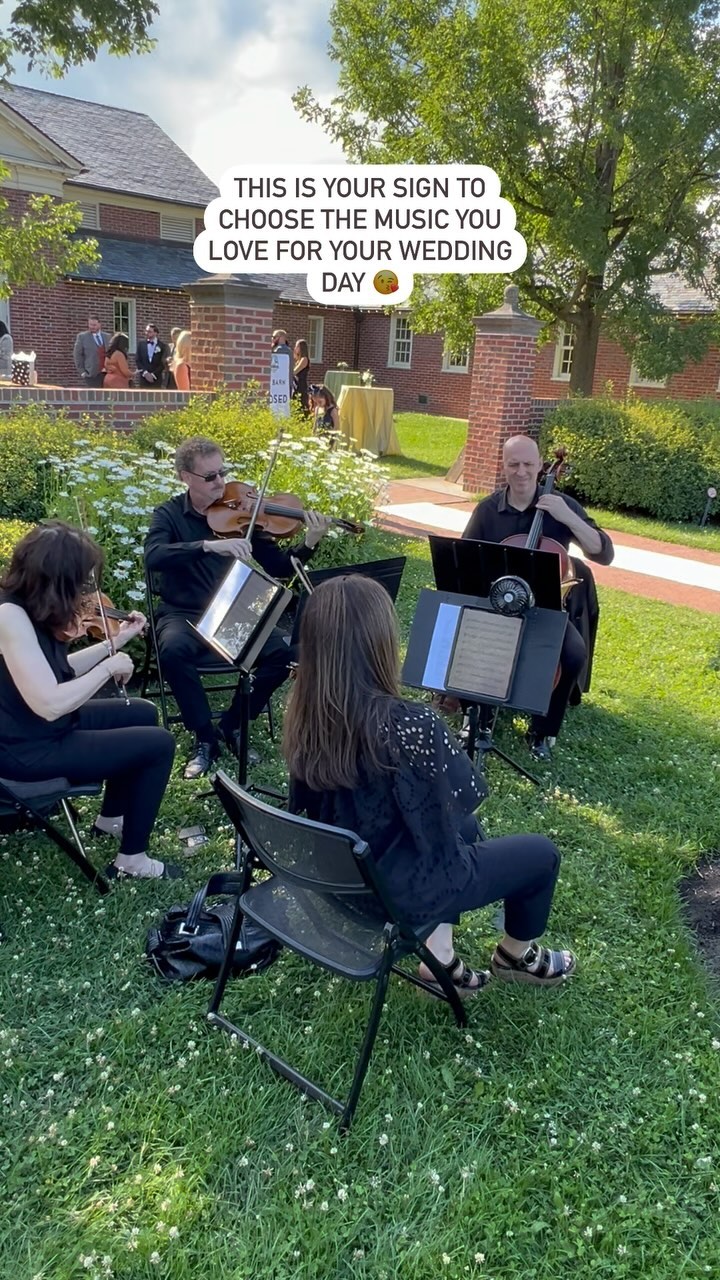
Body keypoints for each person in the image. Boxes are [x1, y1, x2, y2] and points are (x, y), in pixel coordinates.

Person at [284, 576, 575, 992]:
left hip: (340, 884)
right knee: (541, 855)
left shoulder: (305, 714)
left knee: (466, 832)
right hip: (399, 895)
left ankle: (438, 957)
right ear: (381, 644)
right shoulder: (412, 723)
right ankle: (517, 953)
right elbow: (464, 799)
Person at [0, 522, 179, 880]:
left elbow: (57, 668)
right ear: (58, 577)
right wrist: (107, 669)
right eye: (81, 581)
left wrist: (117, 642)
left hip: (42, 729)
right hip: (27, 749)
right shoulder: (9, 616)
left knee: (141, 712)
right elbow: (48, 702)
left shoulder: (27, 607)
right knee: (158, 744)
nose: (85, 591)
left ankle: (110, 819)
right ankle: (132, 861)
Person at [144, 436, 331, 780]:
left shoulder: (242, 511)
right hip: (183, 613)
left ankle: (231, 725)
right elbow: (153, 556)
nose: (221, 482)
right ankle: (204, 736)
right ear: (185, 477)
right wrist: (207, 546)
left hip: (232, 610)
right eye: (210, 476)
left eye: (223, 472)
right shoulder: (169, 515)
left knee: (282, 655)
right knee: (171, 652)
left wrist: (309, 542)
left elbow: (279, 566)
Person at [462, 434, 614, 760]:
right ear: (503, 466)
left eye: (528, 464)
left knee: (573, 653)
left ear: (540, 465)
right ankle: (481, 718)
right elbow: (466, 560)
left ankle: (542, 730)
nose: (521, 472)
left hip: (545, 611)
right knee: (470, 645)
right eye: (513, 464)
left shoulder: (561, 506)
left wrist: (568, 517)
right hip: (498, 609)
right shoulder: (488, 511)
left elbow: (604, 553)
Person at [73, 315, 109, 387]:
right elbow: (77, 355)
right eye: (90, 325)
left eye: (94, 325)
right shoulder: (82, 337)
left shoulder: (107, 336)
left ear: (99, 324)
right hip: (91, 374)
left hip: (107, 373)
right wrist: (82, 372)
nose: (92, 327)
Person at [135, 323, 167, 387]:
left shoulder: (162, 346)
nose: (146, 333)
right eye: (146, 331)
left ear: (155, 333)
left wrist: (153, 375)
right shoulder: (141, 344)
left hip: (156, 378)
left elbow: (163, 363)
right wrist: (145, 373)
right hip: (143, 378)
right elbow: (138, 360)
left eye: (149, 331)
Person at [292, 339, 310, 415]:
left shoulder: (304, 359)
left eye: (297, 346)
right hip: (296, 383)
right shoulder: (298, 360)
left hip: (301, 384)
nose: (295, 348)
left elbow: (295, 371)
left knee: (301, 404)